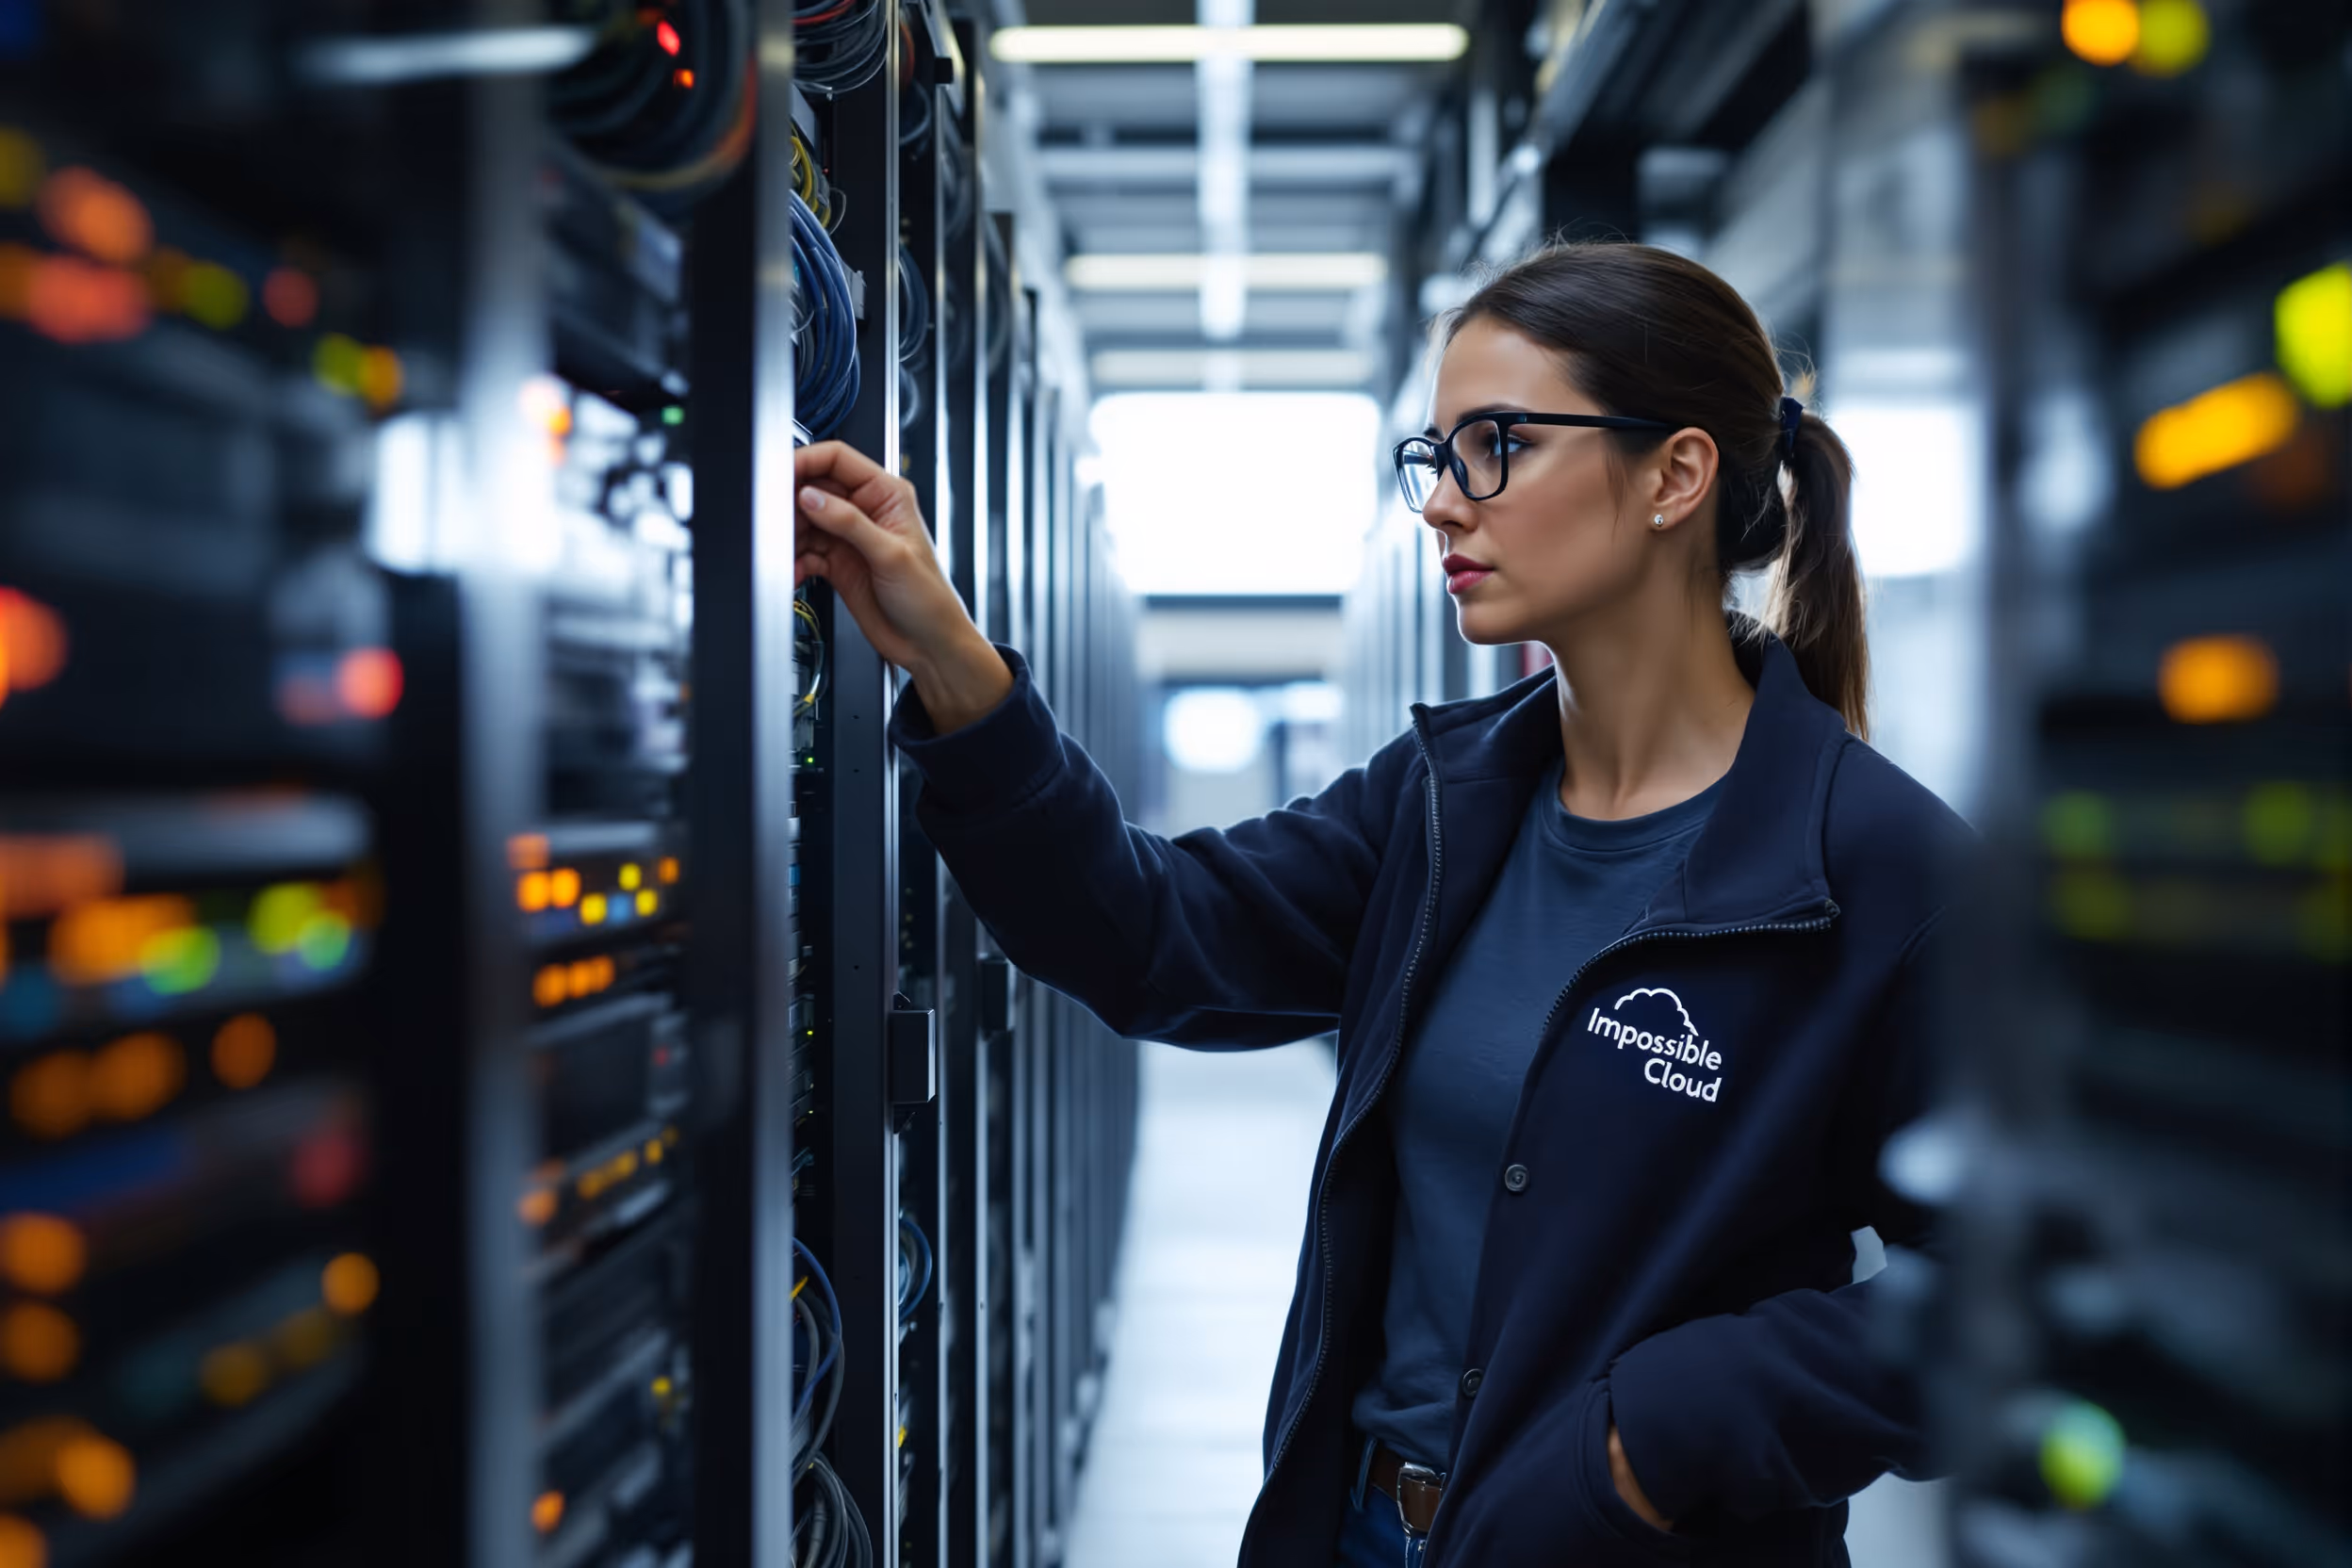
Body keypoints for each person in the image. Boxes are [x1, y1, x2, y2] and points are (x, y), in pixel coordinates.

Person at [792, 240, 1971, 1568]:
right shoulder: (1442, 803)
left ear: (1675, 476)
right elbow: (1151, 935)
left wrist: (1658, 1435)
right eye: (1437, 456)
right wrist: (950, 659)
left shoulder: (1874, 872)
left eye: (1500, 446)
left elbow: (2003, 1298)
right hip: (1366, 1531)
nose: (1445, 506)